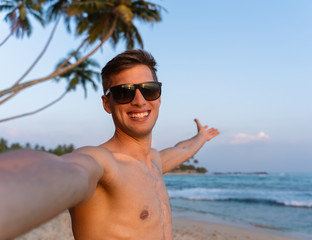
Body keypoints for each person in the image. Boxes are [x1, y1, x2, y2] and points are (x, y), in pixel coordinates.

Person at [0, 49, 219, 240]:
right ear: (107, 104)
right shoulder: (102, 163)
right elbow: (66, 171)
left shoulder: (153, 161)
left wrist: (201, 137)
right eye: (124, 92)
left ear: (159, 97)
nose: (140, 100)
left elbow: (181, 150)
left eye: (149, 89)